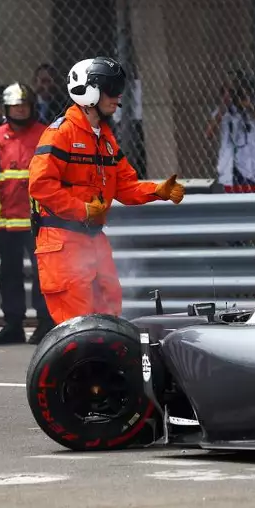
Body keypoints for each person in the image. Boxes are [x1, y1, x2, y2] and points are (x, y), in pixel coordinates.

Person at [28, 56, 186, 324]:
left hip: (93, 240)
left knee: (109, 313)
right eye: (111, 90)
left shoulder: (105, 138)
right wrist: (82, 209)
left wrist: (157, 190)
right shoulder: (60, 133)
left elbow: (125, 186)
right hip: (62, 241)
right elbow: (41, 185)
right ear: (90, 92)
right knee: (78, 325)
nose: (118, 96)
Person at [0, 82, 54, 345]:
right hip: (5, 222)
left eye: (24, 105)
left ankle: (45, 322)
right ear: (6, 109)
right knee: (9, 276)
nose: (20, 110)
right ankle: (13, 325)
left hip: (39, 220)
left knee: (44, 275)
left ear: (32, 107)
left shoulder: (47, 135)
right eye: (15, 106)